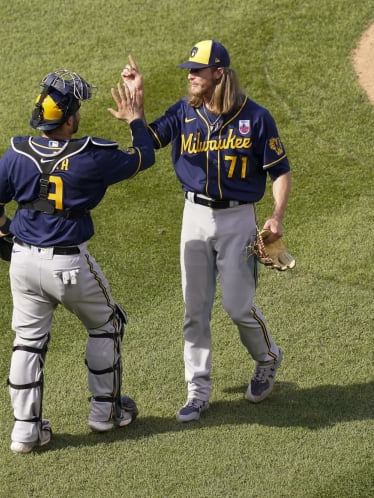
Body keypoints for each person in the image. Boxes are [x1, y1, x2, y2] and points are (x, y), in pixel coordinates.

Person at [0, 69, 154, 453]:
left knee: (27, 341)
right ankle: (104, 412)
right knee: (106, 323)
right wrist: (135, 118)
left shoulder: (17, 152)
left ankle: (26, 431)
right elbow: (144, 157)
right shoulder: (91, 156)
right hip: (70, 266)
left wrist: (7, 229)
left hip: (23, 262)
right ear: (70, 117)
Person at [120, 40, 291, 422]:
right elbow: (148, 146)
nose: (191, 76)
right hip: (194, 217)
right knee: (194, 310)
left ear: (219, 73)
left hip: (238, 220)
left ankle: (267, 357)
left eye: (197, 70)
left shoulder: (256, 118)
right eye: (189, 71)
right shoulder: (183, 113)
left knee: (237, 305)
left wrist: (276, 215)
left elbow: (280, 170)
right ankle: (197, 390)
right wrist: (137, 110)